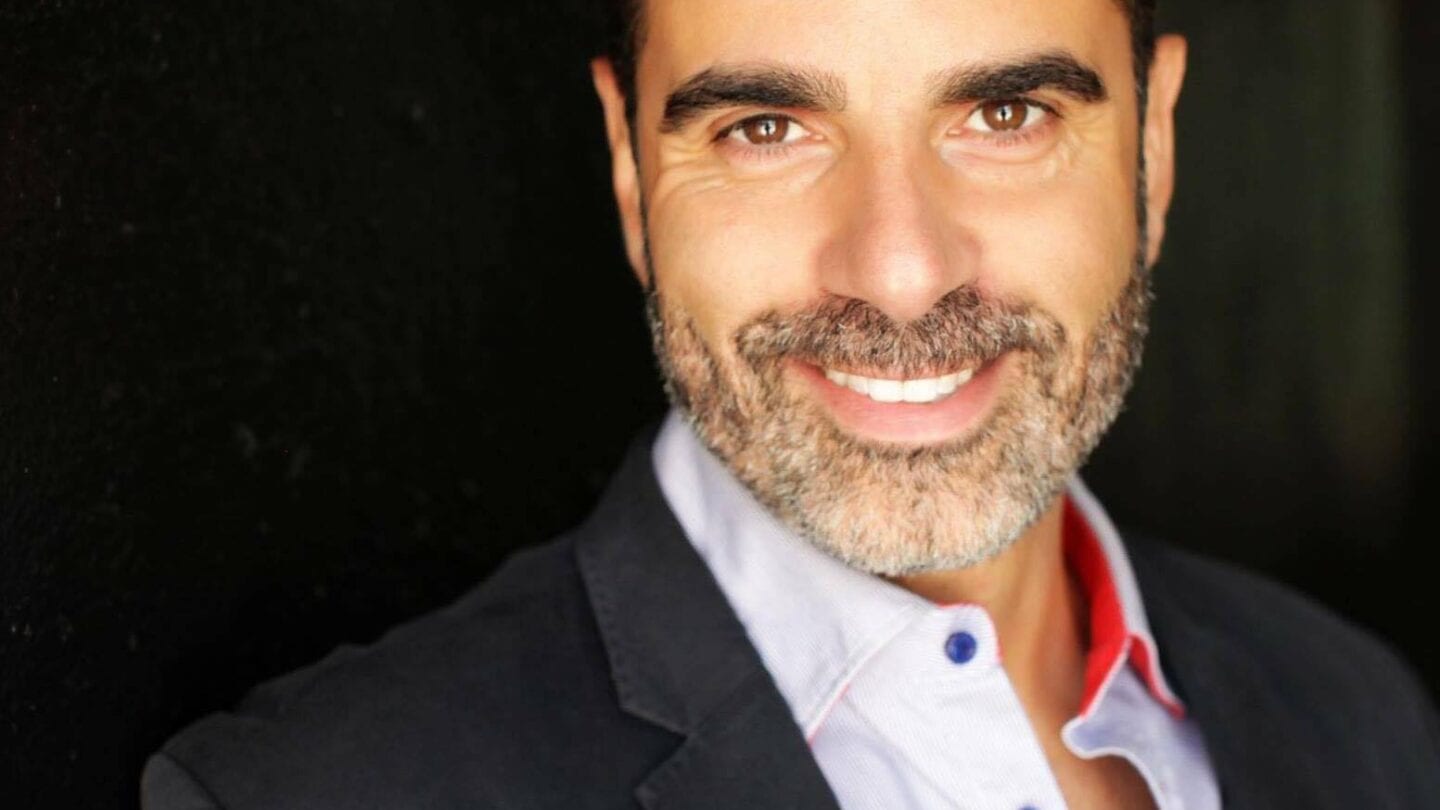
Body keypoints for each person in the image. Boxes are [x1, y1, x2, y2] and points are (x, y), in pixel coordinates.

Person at [142, 0, 1440, 807]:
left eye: (1005, 111)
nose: (900, 271)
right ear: (629, 168)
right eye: (764, 128)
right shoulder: (307, 794)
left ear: (1153, 145)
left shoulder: (1362, 712)